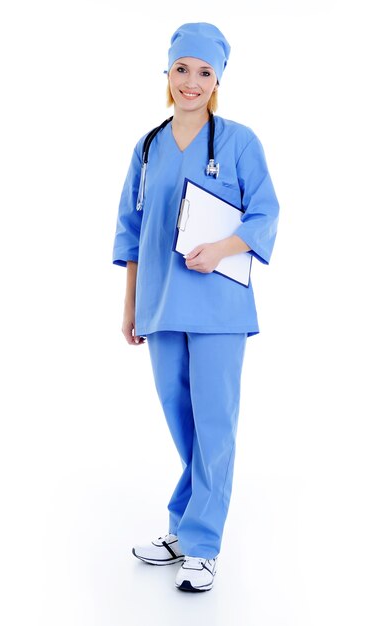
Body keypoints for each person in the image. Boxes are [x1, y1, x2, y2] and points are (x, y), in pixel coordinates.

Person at [112, 22, 279, 592]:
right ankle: (187, 527)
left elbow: (264, 214)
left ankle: (201, 543)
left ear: (218, 80)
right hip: (160, 303)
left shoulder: (238, 142)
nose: (191, 82)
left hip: (219, 308)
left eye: (204, 72)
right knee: (181, 419)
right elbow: (130, 231)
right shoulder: (149, 146)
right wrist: (129, 305)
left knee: (215, 424)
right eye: (182, 69)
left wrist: (224, 248)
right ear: (167, 73)